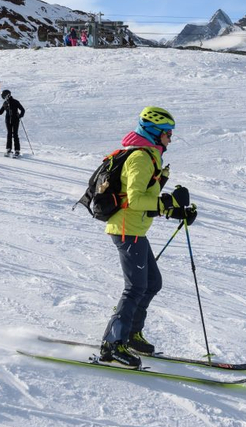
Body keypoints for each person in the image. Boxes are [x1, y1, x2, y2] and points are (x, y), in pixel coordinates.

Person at [99, 107, 197, 367]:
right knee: (135, 288)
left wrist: (177, 210)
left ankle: (130, 334)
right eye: (167, 133)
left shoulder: (150, 157)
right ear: (154, 132)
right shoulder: (141, 158)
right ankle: (112, 344)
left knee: (152, 282)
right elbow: (135, 199)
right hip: (125, 228)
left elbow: (148, 199)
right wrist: (168, 203)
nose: (170, 139)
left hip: (134, 229)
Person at [0, 89, 25, 156]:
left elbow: (22, 109)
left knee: (15, 134)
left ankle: (17, 150)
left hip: (15, 119)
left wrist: (20, 116)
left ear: (8, 95)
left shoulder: (15, 102)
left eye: (4, 96)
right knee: (9, 134)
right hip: (8, 120)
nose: (4, 98)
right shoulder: (5, 103)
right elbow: (0, 112)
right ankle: (8, 149)